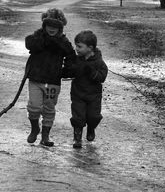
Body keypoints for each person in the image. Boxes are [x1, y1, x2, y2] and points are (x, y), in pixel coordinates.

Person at [24, 8, 75, 147]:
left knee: (49, 108)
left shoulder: (63, 42)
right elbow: (29, 43)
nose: (52, 29)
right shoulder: (38, 37)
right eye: (49, 25)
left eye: (55, 26)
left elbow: (71, 57)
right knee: (33, 106)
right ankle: (35, 128)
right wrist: (42, 39)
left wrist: (65, 71)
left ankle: (45, 135)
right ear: (44, 25)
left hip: (53, 81)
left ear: (61, 27)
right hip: (36, 78)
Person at [62, 30, 108, 148]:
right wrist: (67, 69)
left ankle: (91, 128)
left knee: (93, 116)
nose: (76, 49)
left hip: (94, 95)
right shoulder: (77, 60)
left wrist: (92, 72)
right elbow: (70, 71)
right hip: (78, 94)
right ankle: (77, 138)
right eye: (76, 46)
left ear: (90, 48)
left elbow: (102, 77)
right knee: (78, 116)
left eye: (79, 46)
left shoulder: (98, 61)